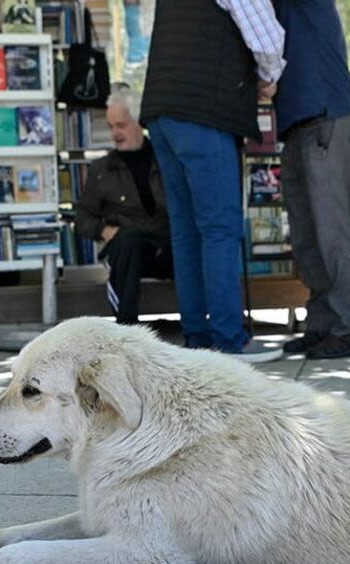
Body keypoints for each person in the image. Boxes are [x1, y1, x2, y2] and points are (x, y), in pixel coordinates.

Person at [140, 0, 285, 363]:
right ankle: (228, 341)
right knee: (220, 229)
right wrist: (270, 76)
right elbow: (266, 36)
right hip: (204, 113)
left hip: (162, 111)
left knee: (186, 232)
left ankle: (198, 338)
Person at [271, 0, 350, 359]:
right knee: (307, 238)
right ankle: (322, 324)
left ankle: (346, 330)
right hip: (297, 124)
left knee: (331, 233)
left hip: (326, 116)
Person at [74, 85, 172, 326]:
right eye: (110, 127)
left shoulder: (167, 160)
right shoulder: (101, 170)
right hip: (130, 253)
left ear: (139, 122)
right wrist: (106, 232)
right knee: (128, 239)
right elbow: (82, 219)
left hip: (168, 247)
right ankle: (126, 327)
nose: (115, 133)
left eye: (121, 125)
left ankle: (203, 327)